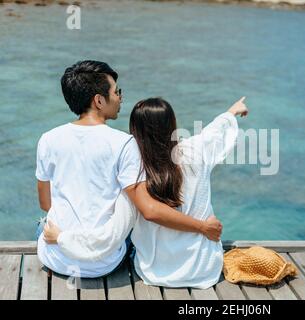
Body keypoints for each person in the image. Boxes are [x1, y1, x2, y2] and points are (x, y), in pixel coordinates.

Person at [36, 60, 222, 278]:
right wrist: (202, 227)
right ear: (98, 100)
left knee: (42, 225)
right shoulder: (124, 144)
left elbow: (45, 203)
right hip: (103, 264)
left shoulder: (48, 140)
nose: (120, 97)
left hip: (56, 258)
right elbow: (149, 210)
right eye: (116, 91)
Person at [44, 96, 248, 288]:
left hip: (155, 272)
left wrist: (62, 238)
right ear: (172, 124)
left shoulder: (134, 173)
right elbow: (214, 133)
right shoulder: (196, 152)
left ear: (135, 130)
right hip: (203, 269)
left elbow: (111, 235)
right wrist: (231, 112)